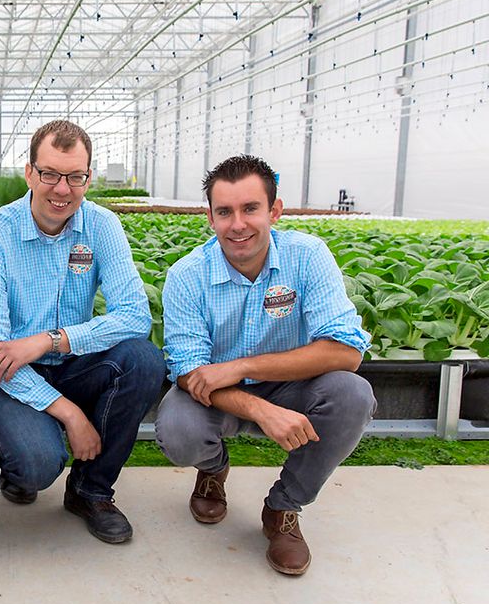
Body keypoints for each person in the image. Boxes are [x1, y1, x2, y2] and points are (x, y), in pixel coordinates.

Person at [156, 154, 376, 576]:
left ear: (275, 210)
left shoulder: (307, 256)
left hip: (287, 385)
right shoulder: (187, 275)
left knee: (352, 395)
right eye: (225, 212)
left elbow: (347, 352)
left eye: (250, 208)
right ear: (210, 218)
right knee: (178, 430)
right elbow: (188, 371)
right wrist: (259, 408)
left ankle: (283, 508)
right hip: (216, 396)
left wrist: (241, 366)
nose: (237, 224)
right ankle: (212, 470)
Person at [0, 120, 166, 544]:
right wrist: (71, 414)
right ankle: (22, 467)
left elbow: (134, 316)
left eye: (75, 177)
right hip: (12, 375)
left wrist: (50, 340)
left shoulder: (101, 226)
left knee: (144, 360)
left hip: (72, 364)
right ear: (29, 173)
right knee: (38, 464)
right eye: (50, 174)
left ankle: (90, 490)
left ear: (88, 178)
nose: (62, 189)